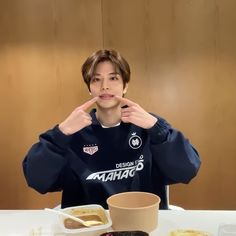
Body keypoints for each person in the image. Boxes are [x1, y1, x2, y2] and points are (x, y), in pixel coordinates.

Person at [22, 49, 201, 209]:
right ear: (89, 88)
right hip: (88, 227)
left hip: (141, 225)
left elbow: (187, 170)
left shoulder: (148, 126)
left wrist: (157, 130)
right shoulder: (72, 132)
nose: (104, 86)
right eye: (96, 79)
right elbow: (38, 181)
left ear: (125, 86)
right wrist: (60, 135)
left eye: (113, 78)